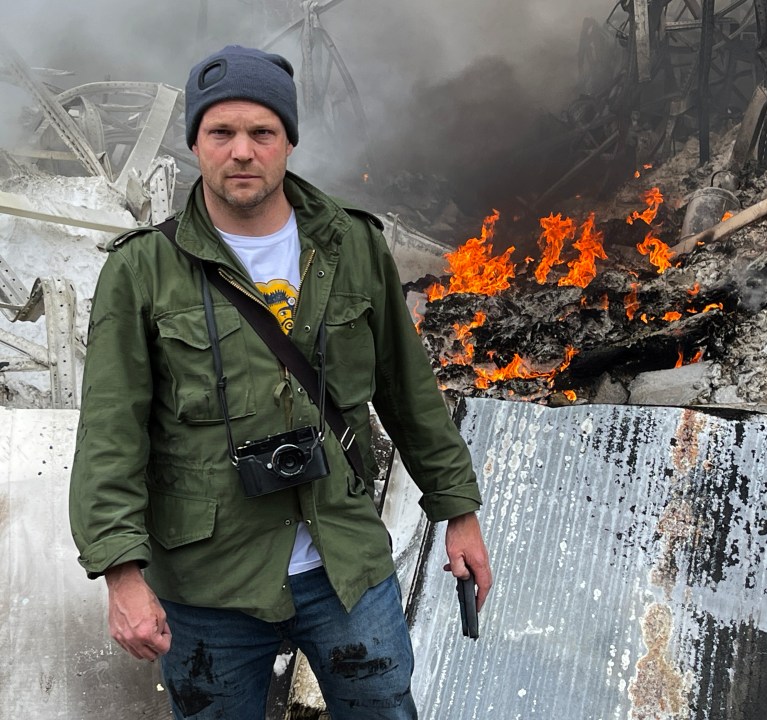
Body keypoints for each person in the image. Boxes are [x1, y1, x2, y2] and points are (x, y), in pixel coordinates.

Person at [68, 44, 492, 720]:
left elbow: (409, 392)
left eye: (262, 132)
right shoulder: (143, 271)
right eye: (221, 132)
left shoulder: (352, 246)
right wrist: (120, 571)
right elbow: (110, 434)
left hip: (346, 567)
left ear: (288, 142)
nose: (242, 150)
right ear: (195, 145)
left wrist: (459, 513)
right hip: (209, 586)